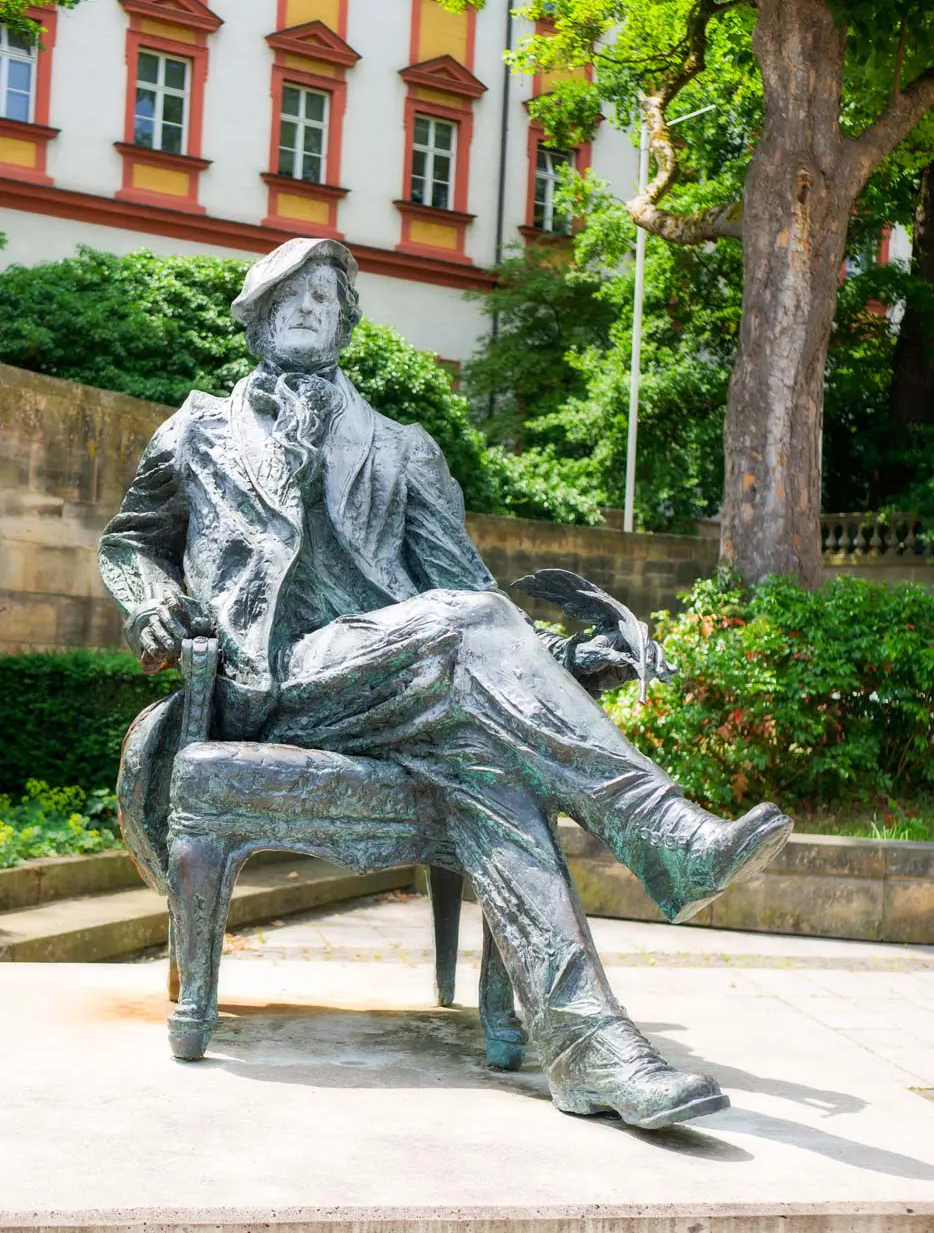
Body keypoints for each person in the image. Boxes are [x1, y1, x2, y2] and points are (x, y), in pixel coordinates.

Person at [99, 237, 792, 1130]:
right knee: (467, 630)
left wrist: (569, 664)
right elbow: (130, 542)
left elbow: (472, 595)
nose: (309, 304)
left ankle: (591, 1049)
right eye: (288, 292)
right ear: (256, 317)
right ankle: (661, 829)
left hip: (403, 685)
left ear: (345, 318)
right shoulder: (195, 429)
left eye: (324, 293)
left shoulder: (403, 449)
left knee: (495, 776)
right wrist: (151, 599)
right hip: (274, 682)